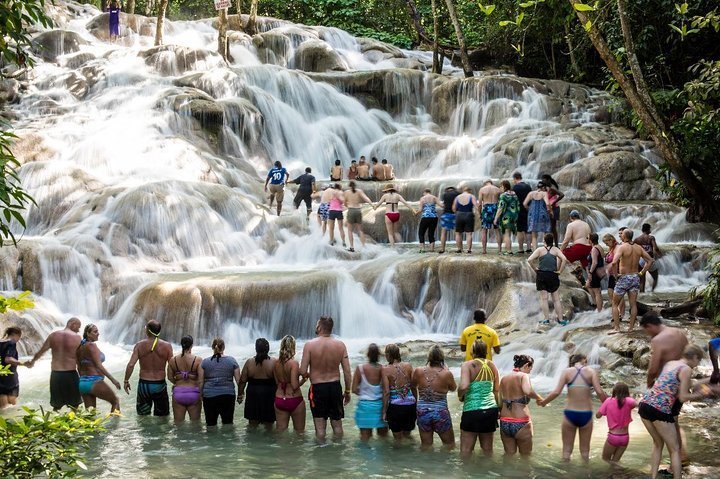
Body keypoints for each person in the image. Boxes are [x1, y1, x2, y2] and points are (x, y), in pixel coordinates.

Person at [639, 345, 716, 479]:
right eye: (698, 361)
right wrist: (703, 394)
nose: (697, 365)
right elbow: (683, 397)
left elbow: (686, 383)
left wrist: (711, 379)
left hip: (645, 405)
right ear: (694, 357)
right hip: (660, 409)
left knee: (658, 444)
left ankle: (653, 476)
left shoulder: (671, 363)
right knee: (675, 450)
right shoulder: (686, 369)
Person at [539, 353, 608, 462]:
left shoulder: (566, 372)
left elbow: (556, 392)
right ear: (584, 360)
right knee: (585, 452)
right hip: (586, 413)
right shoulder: (591, 372)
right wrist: (607, 405)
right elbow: (599, 391)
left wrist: (544, 402)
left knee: (566, 452)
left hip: (570, 413)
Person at [299, 316, 353, 442]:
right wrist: (348, 391)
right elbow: (347, 372)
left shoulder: (309, 345)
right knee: (337, 425)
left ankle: (321, 455)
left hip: (317, 388)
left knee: (320, 428)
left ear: (319, 327)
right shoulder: (340, 345)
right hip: (335, 387)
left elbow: (302, 370)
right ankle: (338, 451)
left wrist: (308, 375)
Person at [28, 317, 82, 411]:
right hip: (71, 374)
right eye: (78, 327)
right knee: (74, 405)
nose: (78, 330)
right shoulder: (77, 338)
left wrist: (32, 362)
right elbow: (79, 358)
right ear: (73, 324)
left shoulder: (53, 335)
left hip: (56, 374)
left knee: (56, 406)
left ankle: (54, 423)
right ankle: (73, 422)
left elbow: (41, 351)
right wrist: (83, 374)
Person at [458, 340, 500, 457]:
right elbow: (497, 390)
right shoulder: (492, 365)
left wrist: (459, 394)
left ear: (472, 351)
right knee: (487, 450)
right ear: (486, 351)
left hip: (472, 410)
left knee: (466, 451)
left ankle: (466, 473)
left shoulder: (467, 365)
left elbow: (464, 386)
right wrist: (499, 409)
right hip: (491, 410)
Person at [123, 320, 173, 417]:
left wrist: (126, 380)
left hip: (144, 385)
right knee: (162, 417)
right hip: (160, 385)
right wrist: (175, 381)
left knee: (143, 417)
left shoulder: (139, 345)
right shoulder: (167, 346)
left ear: (148, 331)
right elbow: (171, 365)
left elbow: (131, 365)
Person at [412, 345, 457, 449]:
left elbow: (413, 385)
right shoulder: (446, 373)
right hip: (440, 412)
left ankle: (426, 464)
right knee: (449, 445)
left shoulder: (418, 371)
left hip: (423, 411)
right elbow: (453, 388)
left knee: (426, 445)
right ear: (442, 357)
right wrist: (447, 370)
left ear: (429, 357)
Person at [610, 229, 654, 333]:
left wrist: (616, 275)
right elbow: (650, 260)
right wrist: (642, 273)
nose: (620, 236)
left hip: (624, 277)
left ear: (624, 237)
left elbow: (613, 263)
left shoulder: (622, 248)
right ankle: (631, 328)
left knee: (615, 304)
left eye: (621, 235)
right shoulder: (638, 247)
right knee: (633, 304)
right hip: (635, 277)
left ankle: (617, 328)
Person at [498, 355, 543, 456]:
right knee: (525, 457)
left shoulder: (504, 378)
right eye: (530, 369)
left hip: (504, 422)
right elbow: (528, 391)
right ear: (527, 365)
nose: (530, 372)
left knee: (509, 456)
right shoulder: (523, 376)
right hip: (521, 422)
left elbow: (499, 400)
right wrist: (539, 398)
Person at [76, 324, 121, 413]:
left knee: (90, 414)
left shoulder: (79, 348)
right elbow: (99, 366)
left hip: (82, 384)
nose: (98, 333)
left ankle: (89, 427)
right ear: (88, 334)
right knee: (115, 402)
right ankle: (114, 427)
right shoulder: (92, 346)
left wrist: (84, 381)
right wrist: (113, 380)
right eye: (95, 332)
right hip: (94, 381)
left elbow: (79, 367)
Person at [528, 233, 569, 325]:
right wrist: (560, 271)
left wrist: (535, 269)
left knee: (544, 299)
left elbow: (529, 260)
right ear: (552, 241)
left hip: (541, 275)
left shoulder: (540, 250)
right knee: (556, 299)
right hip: (553, 275)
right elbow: (564, 259)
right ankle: (561, 320)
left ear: (544, 241)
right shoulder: (556, 250)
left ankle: (546, 319)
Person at [198, 338, 241, 427]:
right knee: (228, 424)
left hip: (209, 396)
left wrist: (201, 395)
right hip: (228, 395)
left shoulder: (205, 362)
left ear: (212, 347)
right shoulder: (232, 361)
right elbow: (238, 381)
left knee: (210, 425)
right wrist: (240, 394)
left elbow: (200, 382)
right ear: (224, 347)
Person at [352, 343, 388, 441]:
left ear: (367, 354)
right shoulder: (383, 369)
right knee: (383, 439)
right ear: (379, 355)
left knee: (364, 439)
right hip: (380, 407)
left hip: (364, 408)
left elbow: (354, 389)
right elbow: (386, 390)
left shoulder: (360, 368)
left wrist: (365, 393)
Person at [238, 338, 276, 428]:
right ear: (268, 349)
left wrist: (240, 395)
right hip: (269, 394)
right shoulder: (274, 362)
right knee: (269, 424)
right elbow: (279, 381)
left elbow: (242, 381)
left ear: (256, 349)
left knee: (252, 424)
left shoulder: (249, 362)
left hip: (253, 394)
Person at [381, 343, 416, 441]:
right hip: (410, 405)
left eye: (386, 354)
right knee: (407, 435)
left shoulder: (385, 369)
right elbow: (413, 386)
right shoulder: (408, 366)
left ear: (389, 355)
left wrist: (384, 411)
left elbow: (386, 392)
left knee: (398, 440)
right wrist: (416, 402)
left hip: (395, 407)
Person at [596, 382, 636, 464]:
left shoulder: (608, 401)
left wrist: (606, 409)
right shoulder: (629, 401)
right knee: (615, 462)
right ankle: (618, 474)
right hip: (625, 437)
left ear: (614, 391)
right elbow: (639, 404)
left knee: (605, 459)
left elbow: (598, 415)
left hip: (613, 437)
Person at [274, 335, 306, 433]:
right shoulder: (294, 363)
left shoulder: (275, 363)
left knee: (281, 432)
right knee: (299, 432)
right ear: (293, 347)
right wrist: (303, 380)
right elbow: (294, 386)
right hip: (294, 399)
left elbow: (277, 383)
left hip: (279, 399)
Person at [167, 335, 202, 422]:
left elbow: (169, 377)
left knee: (178, 425)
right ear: (191, 345)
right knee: (196, 425)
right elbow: (201, 380)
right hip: (194, 392)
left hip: (178, 392)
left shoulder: (173, 360)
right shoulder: (198, 360)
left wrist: (177, 382)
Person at [0, 327, 30, 408]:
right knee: (11, 406)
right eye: (19, 337)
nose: (18, 340)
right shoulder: (11, 343)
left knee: (3, 409)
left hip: (1, 377)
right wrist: (23, 363)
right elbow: (8, 359)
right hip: (10, 379)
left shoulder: (1, 343)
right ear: (16, 335)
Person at [559, 210, 592, 281]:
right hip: (589, 248)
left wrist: (560, 250)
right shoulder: (586, 224)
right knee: (586, 265)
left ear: (571, 217)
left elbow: (566, 240)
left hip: (579, 247)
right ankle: (589, 281)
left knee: (560, 256)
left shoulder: (571, 225)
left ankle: (557, 274)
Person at [603, 233, 625, 320]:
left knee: (619, 295)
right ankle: (617, 312)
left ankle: (621, 314)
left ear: (611, 240)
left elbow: (616, 261)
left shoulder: (617, 247)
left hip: (618, 274)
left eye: (606, 243)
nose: (606, 244)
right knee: (610, 293)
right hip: (612, 274)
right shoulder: (611, 248)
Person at [494, 180, 520, 255]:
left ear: (504, 187)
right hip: (514, 215)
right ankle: (509, 250)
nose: (500, 188)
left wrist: (496, 218)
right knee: (509, 233)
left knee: (506, 233)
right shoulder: (514, 194)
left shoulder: (503, 195)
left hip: (506, 216)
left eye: (501, 186)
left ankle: (508, 251)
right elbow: (518, 206)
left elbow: (500, 208)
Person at [344, 181, 371, 252]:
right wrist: (372, 204)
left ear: (349, 186)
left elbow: (344, 203)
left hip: (351, 210)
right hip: (358, 210)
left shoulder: (346, 192)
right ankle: (364, 246)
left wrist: (347, 206)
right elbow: (366, 198)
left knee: (350, 230)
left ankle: (352, 247)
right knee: (360, 230)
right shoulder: (359, 191)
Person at [524, 181, 551, 250]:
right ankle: (546, 249)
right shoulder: (544, 193)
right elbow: (547, 203)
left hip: (532, 215)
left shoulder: (531, 193)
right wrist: (549, 210)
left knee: (534, 235)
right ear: (544, 187)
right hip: (543, 215)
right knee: (546, 232)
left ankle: (535, 251)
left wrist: (530, 209)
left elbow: (524, 204)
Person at [635, 223, 662, 292]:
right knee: (655, 277)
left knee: (642, 279)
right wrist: (660, 254)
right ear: (648, 229)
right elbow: (655, 248)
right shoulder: (651, 238)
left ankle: (642, 294)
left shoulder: (637, 239)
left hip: (641, 260)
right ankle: (652, 292)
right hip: (649, 260)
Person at [478, 180, 501, 254]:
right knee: (497, 230)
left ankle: (484, 250)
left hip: (486, 208)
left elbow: (479, 204)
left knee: (484, 230)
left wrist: (479, 213)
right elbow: (501, 202)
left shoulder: (482, 189)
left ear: (485, 183)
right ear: (492, 183)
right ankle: (499, 250)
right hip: (495, 208)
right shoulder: (497, 189)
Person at [451, 186, 477, 254]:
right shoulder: (472, 196)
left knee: (458, 233)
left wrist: (457, 212)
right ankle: (468, 249)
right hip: (469, 214)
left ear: (463, 191)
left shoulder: (457, 197)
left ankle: (459, 249)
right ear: (470, 191)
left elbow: (453, 208)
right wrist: (478, 214)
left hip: (459, 214)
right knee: (469, 233)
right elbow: (476, 206)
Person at [512, 172, 532, 254]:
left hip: (518, 210)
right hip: (528, 209)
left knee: (520, 230)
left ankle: (520, 248)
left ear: (515, 178)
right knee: (528, 230)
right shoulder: (528, 186)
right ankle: (528, 248)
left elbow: (513, 200)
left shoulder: (515, 187)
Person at [417, 188, 442, 253]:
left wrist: (416, 213)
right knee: (431, 233)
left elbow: (420, 209)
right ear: (430, 192)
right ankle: (432, 249)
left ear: (424, 192)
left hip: (425, 217)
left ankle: (422, 249)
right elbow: (441, 205)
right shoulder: (434, 198)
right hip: (434, 217)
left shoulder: (422, 198)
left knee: (421, 233)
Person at [541, 174, 564, 242]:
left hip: (554, 209)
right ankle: (550, 244)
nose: (543, 182)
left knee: (552, 228)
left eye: (544, 180)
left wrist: (553, 202)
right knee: (549, 227)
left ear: (548, 180)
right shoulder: (546, 187)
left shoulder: (552, 188)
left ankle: (554, 244)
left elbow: (562, 195)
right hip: (548, 209)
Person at [586, 233, 605, 312]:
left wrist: (590, 272)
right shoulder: (599, 247)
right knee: (588, 285)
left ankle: (599, 310)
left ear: (590, 240)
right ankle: (596, 304)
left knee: (597, 291)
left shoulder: (594, 249)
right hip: (598, 271)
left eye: (588, 238)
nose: (587, 239)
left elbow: (595, 262)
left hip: (595, 272)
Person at [438, 186, 460, 254]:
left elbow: (444, 204)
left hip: (446, 214)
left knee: (443, 232)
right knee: (457, 233)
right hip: (455, 214)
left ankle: (442, 249)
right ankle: (459, 248)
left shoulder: (445, 194)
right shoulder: (457, 194)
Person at [327, 183, 346, 247]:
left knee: (331, 228)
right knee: (341, 228)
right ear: (339, 187)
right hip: (338, 211)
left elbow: (329, 201)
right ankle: (343, 242)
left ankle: (331, 241)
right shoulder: (341, 192)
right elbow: (343, 201)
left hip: (331, 210)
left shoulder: (332, 192)